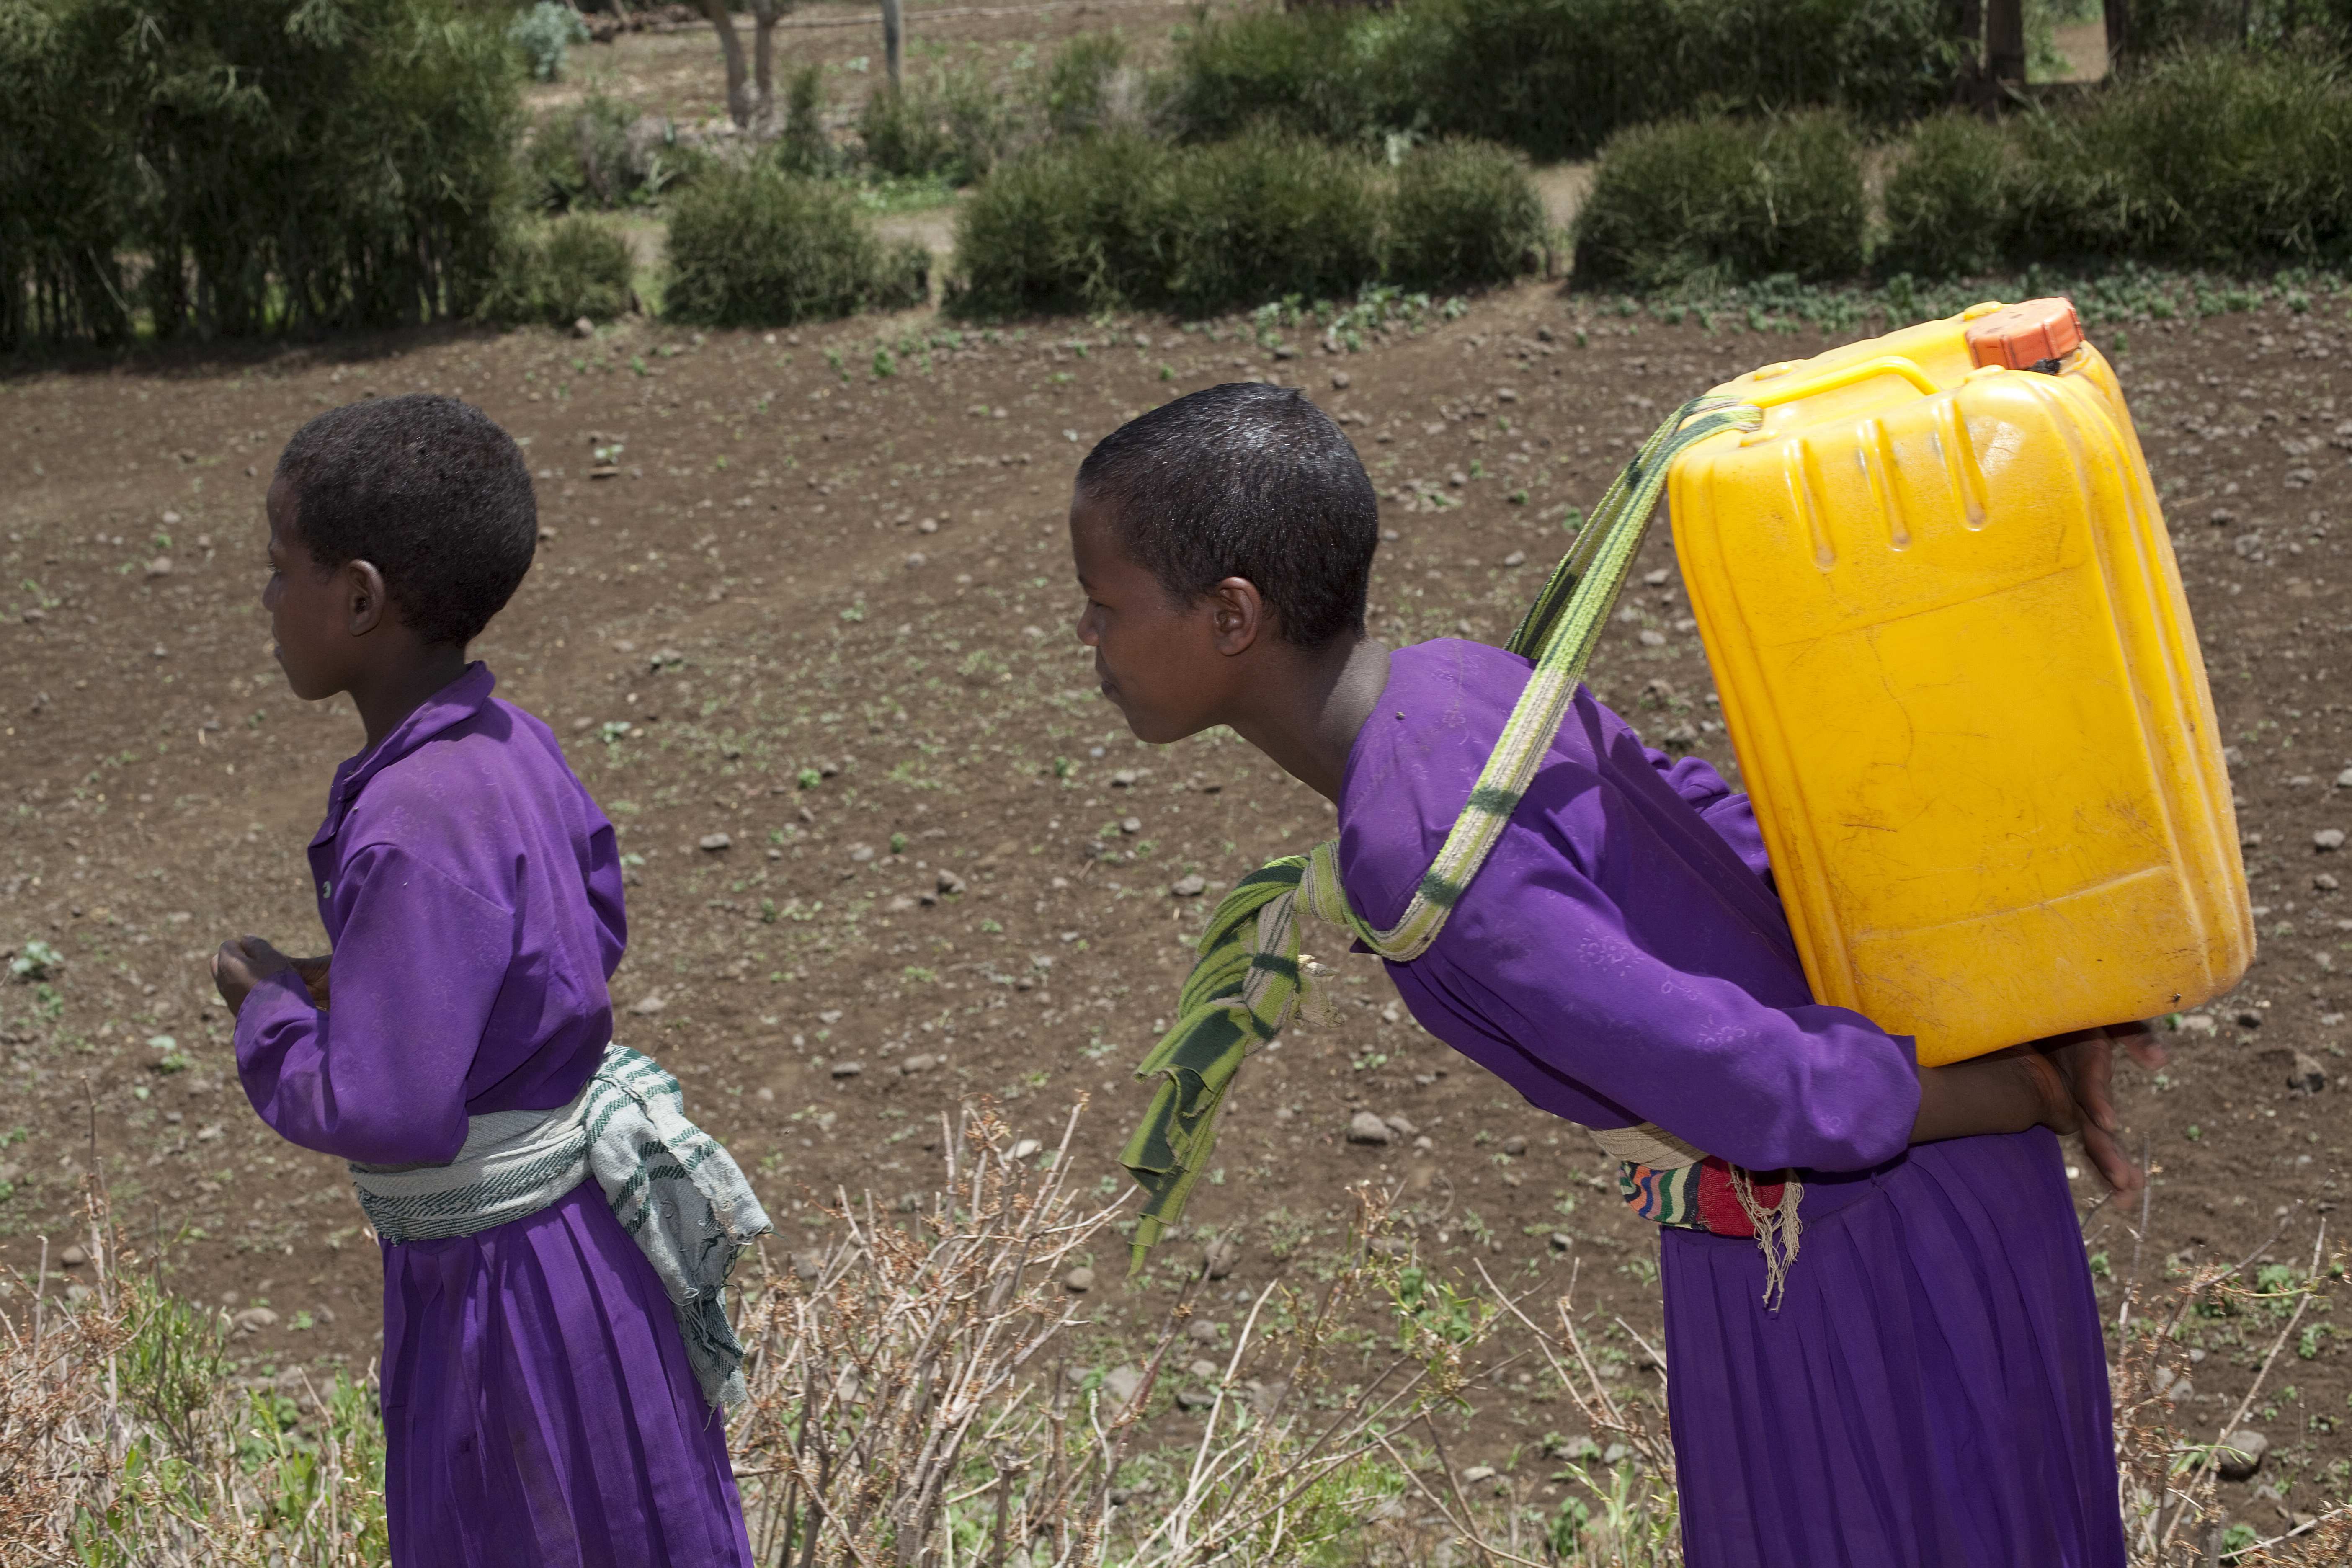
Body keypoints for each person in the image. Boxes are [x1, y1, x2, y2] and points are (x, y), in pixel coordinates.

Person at [1070, 381, 2152, 1568]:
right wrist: (1978, 1027)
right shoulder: (1458, 685)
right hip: (1900, 1187)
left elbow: (1727, 1073)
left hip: (1862, 1253)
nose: (1090, 640)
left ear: (1231, 615)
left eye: (1104, 604)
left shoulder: (1418, 847)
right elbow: (1717, 826)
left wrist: (2014, 1094)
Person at [209, 394, 762, 1568]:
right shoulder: (510, 743)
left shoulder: (410, 817)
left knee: (518, 1527)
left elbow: (391, 1108)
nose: (263, 600)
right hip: (591, 1259)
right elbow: (577, 935)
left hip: (501, 1295)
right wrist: (362, 978)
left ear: (357, 597)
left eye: (278, 568)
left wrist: (267, 1012)